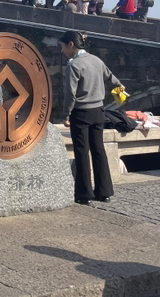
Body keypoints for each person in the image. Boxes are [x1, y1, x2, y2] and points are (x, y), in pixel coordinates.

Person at [59, 30, 121, 205]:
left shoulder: (74, 65)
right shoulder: (96, 60)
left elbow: (70, 94)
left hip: (81, 112)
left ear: (71, 44)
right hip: (98, 111)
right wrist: (119, 90)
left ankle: (84, 194)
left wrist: (66, 114)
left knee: (81, 152)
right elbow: (113, 80)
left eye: (62, 47)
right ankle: (104, 192)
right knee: (98, 150)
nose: (62, 51)